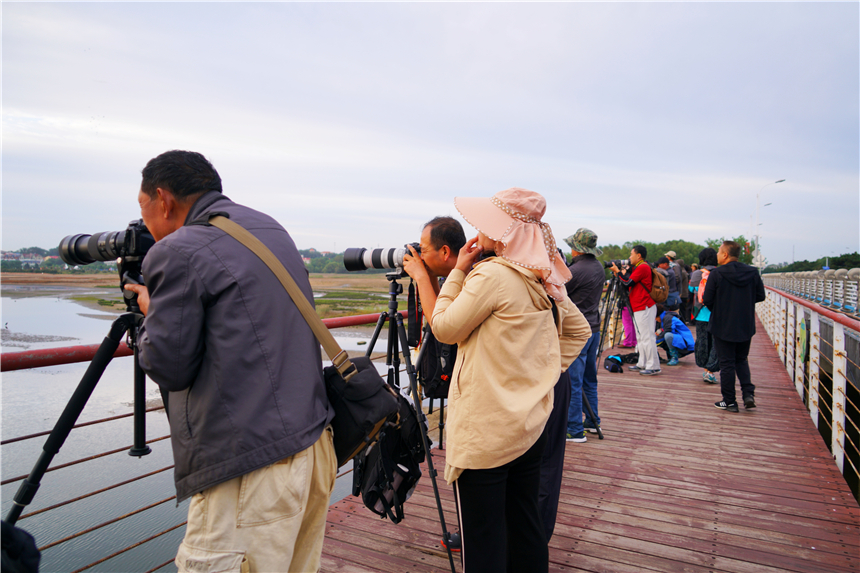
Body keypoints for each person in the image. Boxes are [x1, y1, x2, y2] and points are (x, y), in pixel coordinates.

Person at [124, 150, 336, 573]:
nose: (144, 220)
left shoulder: (179, 251)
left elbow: (169, 365)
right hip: (312, 446)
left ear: (163, 200)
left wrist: (151, 316)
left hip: (253, 469)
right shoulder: (266, 227)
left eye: (143, 206)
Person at [430, 187, 591, 573]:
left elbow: (444, 328)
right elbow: (579, 331)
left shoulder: (494, 275)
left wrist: (456, 271)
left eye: (486, 223)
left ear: (504, 231)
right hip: (527, 424)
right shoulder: (542, 277)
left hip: (486, 430)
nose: (477, 229)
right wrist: (538, 374)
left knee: (483, 540)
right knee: (524, 529)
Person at [702, 240, 766, 412]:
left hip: (722, 324)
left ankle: (729, 401)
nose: (717, 255)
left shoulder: (716, 274)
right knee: (741, 360)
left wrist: (721, 307)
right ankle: (748, 395)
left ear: (725, 254)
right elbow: (760, 296)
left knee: (727, 363)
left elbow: (707, 299)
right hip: (745, 323)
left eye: (718, 252)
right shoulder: (752, 272)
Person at [562, 228, 606, 443]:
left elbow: (557, 293)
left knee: (573, 381)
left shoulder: (576, 270)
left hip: (577, 332)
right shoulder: (597, 267)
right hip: (594, 329)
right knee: (589, 379)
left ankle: (574, 428)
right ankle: (592, 420)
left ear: (576, 249)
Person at [401, 216, 466, 317]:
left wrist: (421, 278)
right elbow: (440, 310)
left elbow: (441, 327)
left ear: (445, 252)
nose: (421, 257)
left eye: (423, 250)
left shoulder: (473, 282)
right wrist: (430, 277)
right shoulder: (453, 277)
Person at [610, 246, 660, 375]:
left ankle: (653, 365)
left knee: (647, 337)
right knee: (641, 337)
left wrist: (618, 271)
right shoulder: (639, 267)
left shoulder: (643, 267)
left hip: (644, 306)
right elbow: (628, 281)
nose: (629, 257)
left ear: (639, 256)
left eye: (631, 254)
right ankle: (642, 363)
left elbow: (628, 283)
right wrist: (619, 272)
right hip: (639, 306)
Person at [690, 248, 720, 383]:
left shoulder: (697, 273)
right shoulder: (720, 272)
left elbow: (692, 289)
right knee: (716, 344)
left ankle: (704, 366)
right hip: (717, 314)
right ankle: (710, 370)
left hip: (701, 313)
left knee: (702, 341)